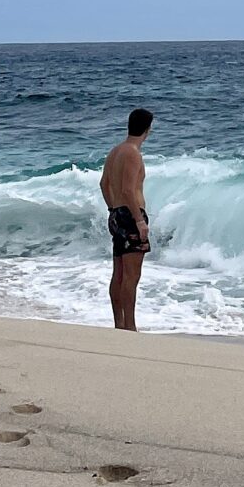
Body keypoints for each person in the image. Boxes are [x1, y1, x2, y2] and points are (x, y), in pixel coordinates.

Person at [99, 107, 154, 331]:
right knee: (131, 275)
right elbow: (128, 191)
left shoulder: (115, 151)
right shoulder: (132, 153)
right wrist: (139, 221)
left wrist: (113, 209)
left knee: (119, 273)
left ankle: (119, 323)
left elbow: (104, 184)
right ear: (147, 130)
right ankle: (129, 326)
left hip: (117, 214)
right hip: (131, 215)